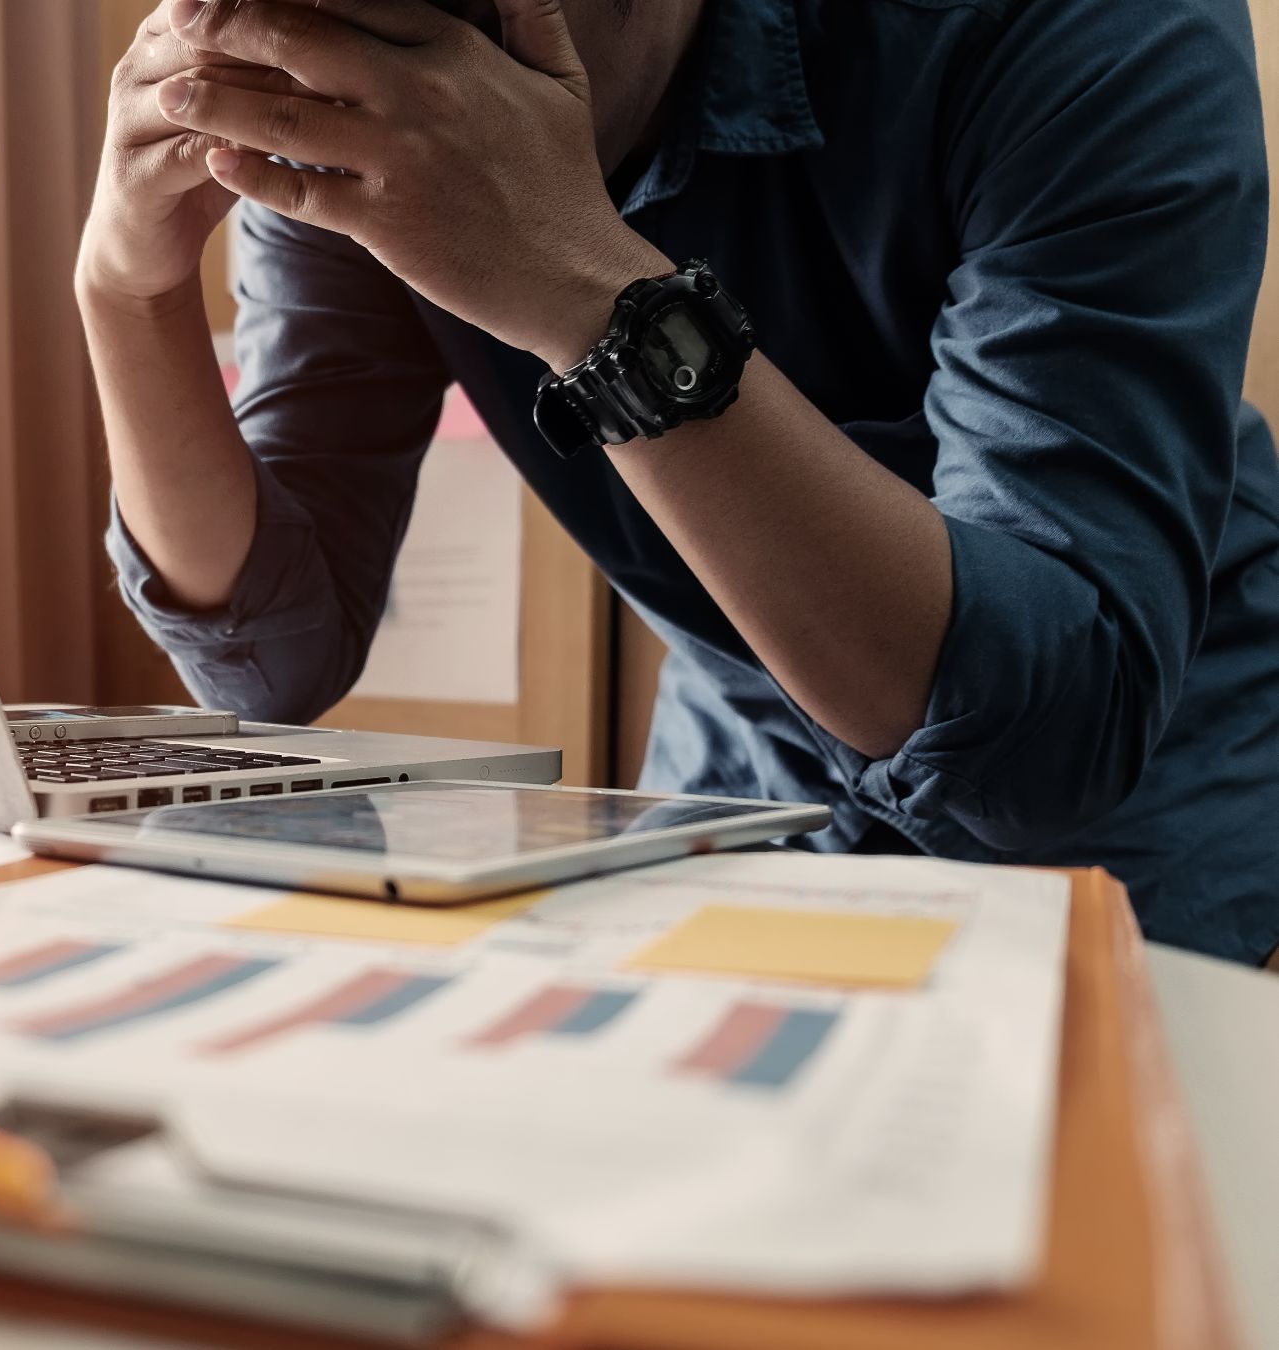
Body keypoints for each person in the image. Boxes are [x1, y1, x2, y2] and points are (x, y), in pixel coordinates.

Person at [74, 0, 1279, 967]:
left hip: (1142, 807)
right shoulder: (348, 86)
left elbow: (1040, 749)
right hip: (737, 784)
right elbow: (275, 657)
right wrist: (127, 298)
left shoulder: (1090, 31)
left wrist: (593, 302)